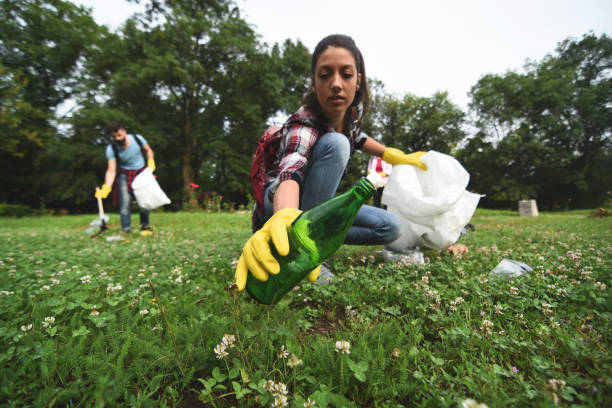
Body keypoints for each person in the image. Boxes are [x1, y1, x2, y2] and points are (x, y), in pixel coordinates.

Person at [233, 34, 428, 291]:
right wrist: (285, 216)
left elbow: (359, 138)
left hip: (313, 209)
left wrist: (390, 154)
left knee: (390, 226)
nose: (336, 84)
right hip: (278, 203)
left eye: (346, 74)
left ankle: (316, 238)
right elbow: (291, 168)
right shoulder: (303, 122)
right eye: (325, 76)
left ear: (358, 80)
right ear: (314, 83)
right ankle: (297, 247)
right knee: (336, 144)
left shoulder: (350, 117)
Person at [95, 122, 156, 235]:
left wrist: (150, 162)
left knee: (143, 202)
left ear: (124, 132)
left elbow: (148, 150)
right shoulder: (111, 148)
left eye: (119, 135)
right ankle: (126, 229)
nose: (117, 138)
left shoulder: (137, 138)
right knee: (124, 205)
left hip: (141, 172)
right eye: (114, 136)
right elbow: (111, 170)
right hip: (124, 174)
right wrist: (107, 187)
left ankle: (145, 226)